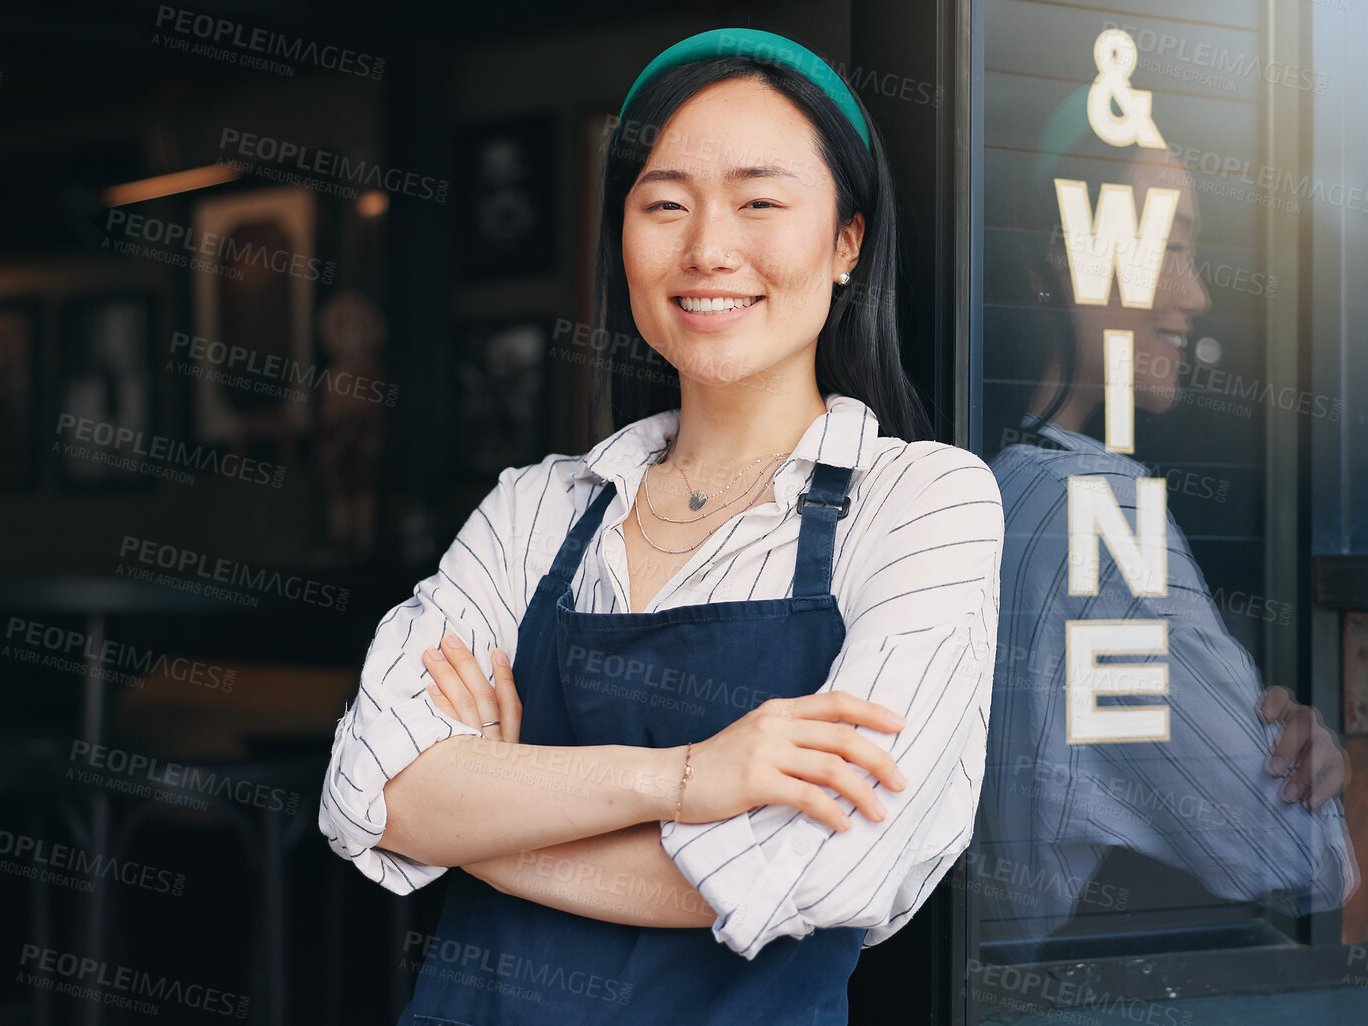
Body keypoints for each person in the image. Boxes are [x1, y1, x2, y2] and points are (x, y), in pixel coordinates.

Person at [318, 28, 1004, 1026]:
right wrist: (689, 778)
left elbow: (822, 867)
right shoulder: (536, 508)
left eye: (760, 201)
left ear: (848, 239)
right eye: (664, 204)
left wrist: (488, 821)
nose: (708, 249)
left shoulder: (920, 505)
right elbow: (372, 791)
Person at [972, 86, 1359, 946]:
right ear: (1060, 263)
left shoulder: (991, 491)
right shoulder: (1100, 519)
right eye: (1166, 247)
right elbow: (1296, 849)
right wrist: (1295, 775)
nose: (1195, 297)